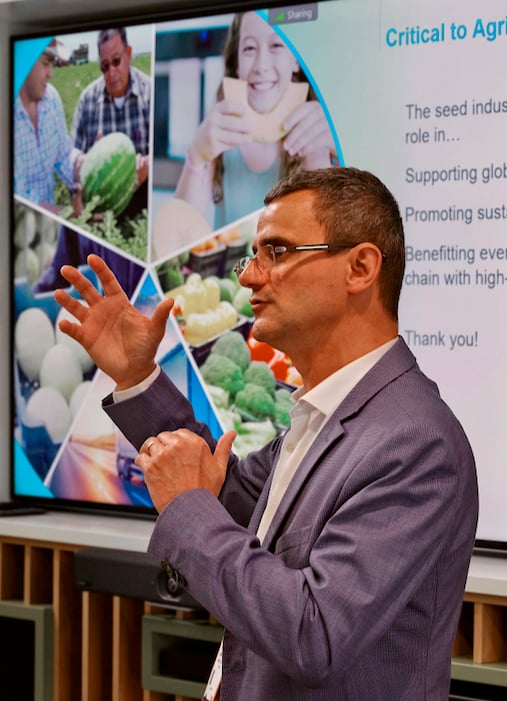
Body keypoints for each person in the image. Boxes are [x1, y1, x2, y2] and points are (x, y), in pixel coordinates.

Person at [55, 167, 478, 700]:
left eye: (276, 252)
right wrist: (138, 379)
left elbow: (315, 634)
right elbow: (227, 498)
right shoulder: (327, 413)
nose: (249, 277)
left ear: (361, 267)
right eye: (254, 255)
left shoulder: (415, 443)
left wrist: (187, 504)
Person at [172, 12, 337, 232]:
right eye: (249, 48)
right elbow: (179, 232)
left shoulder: (321, 132)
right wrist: (197, 154)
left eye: (276, 45)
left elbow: (330, 236)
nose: (261, 65)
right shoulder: (222, 131)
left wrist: (317, 159)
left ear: (296, 59)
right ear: (237, 63)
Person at [71, 27, 151, 220]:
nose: (111, 71)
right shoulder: (88, 99)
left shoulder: (150, 92)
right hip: (99, 212)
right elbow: (70, 150)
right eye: (105, 66)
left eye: (116, 61)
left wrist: (147, 164)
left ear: (129, 54)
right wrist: (80, 161)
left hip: (142, 208)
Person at [13, 41, 83, 212]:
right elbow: (20, 198)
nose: (51, 73)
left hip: (51, 225)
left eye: (52, 64)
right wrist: (69, 215)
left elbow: (63, 155)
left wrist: (87, 164)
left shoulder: (51, 99)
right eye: (45, 63)